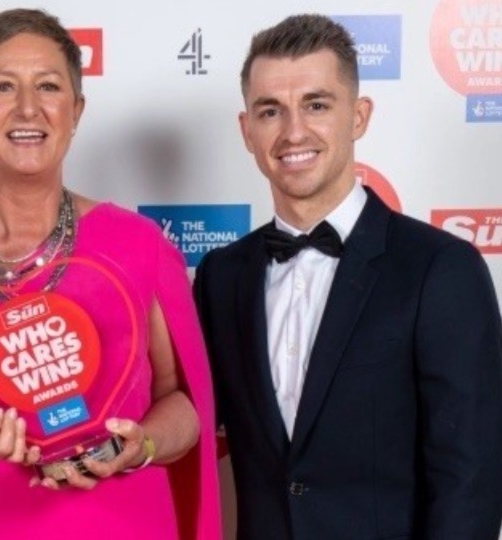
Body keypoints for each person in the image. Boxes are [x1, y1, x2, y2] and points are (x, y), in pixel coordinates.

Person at [0, 8, 221, 540]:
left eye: (49, 86)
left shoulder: (138, 244)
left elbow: (184, 405)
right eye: (4, 87)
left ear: (76, 109)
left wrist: (140, 445)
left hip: (124, 520)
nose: (28, 108)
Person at [194, 13, 502, 539]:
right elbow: (187, 415)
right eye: (271, 111)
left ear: (358, 117)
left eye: (316, 104)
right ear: (247, 130)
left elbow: (469, 480)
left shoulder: (441, 268)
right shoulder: (221, 277)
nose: (293, 132)